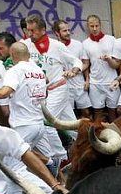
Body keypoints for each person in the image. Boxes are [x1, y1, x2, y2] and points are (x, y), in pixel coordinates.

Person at [0, 42, 55, 194]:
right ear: (28, 55)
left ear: (13, 56)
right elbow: (46, 89)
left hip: (23, 125)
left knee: (13, 167)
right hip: (38, 124)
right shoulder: (38, 71)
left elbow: (3, 93)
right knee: (27, 161)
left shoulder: (15, 71)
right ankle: (50, 167)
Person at [23, 14, 83, 174]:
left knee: (47, 123)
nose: (29, 34)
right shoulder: (26, 46)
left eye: (33, 31)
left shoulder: (57, 46)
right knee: (71, 126)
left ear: (43, 30)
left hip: (58, 88)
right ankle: (91, 143)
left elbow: (76, 61)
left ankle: (62, 157)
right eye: (28, 30)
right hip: (41, 94)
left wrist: (73, 71)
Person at [82, 15, 120, 122]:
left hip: (111, 81)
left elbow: (117, 64)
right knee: (97, 111)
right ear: (87, 26)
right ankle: (98, 134)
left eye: (96, 26)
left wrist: (108, 59)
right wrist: (86, 79)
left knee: (113, 110)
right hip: (95, 83)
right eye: (92, 26)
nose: (94, 29)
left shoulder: (111, 40)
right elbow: (86, 64)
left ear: (100, 25)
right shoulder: (85, 44)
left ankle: (115, 134)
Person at [54, 20, 91, 119]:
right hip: (63, 86)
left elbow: (86, 63)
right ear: (57, 33)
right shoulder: (53, 47)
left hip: (79, 83)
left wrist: (87, 79)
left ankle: (88, 133)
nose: (68, 33)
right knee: (68, 115)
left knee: (86, 112)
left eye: (68, 30)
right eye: (64, 31)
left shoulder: (78, 44)